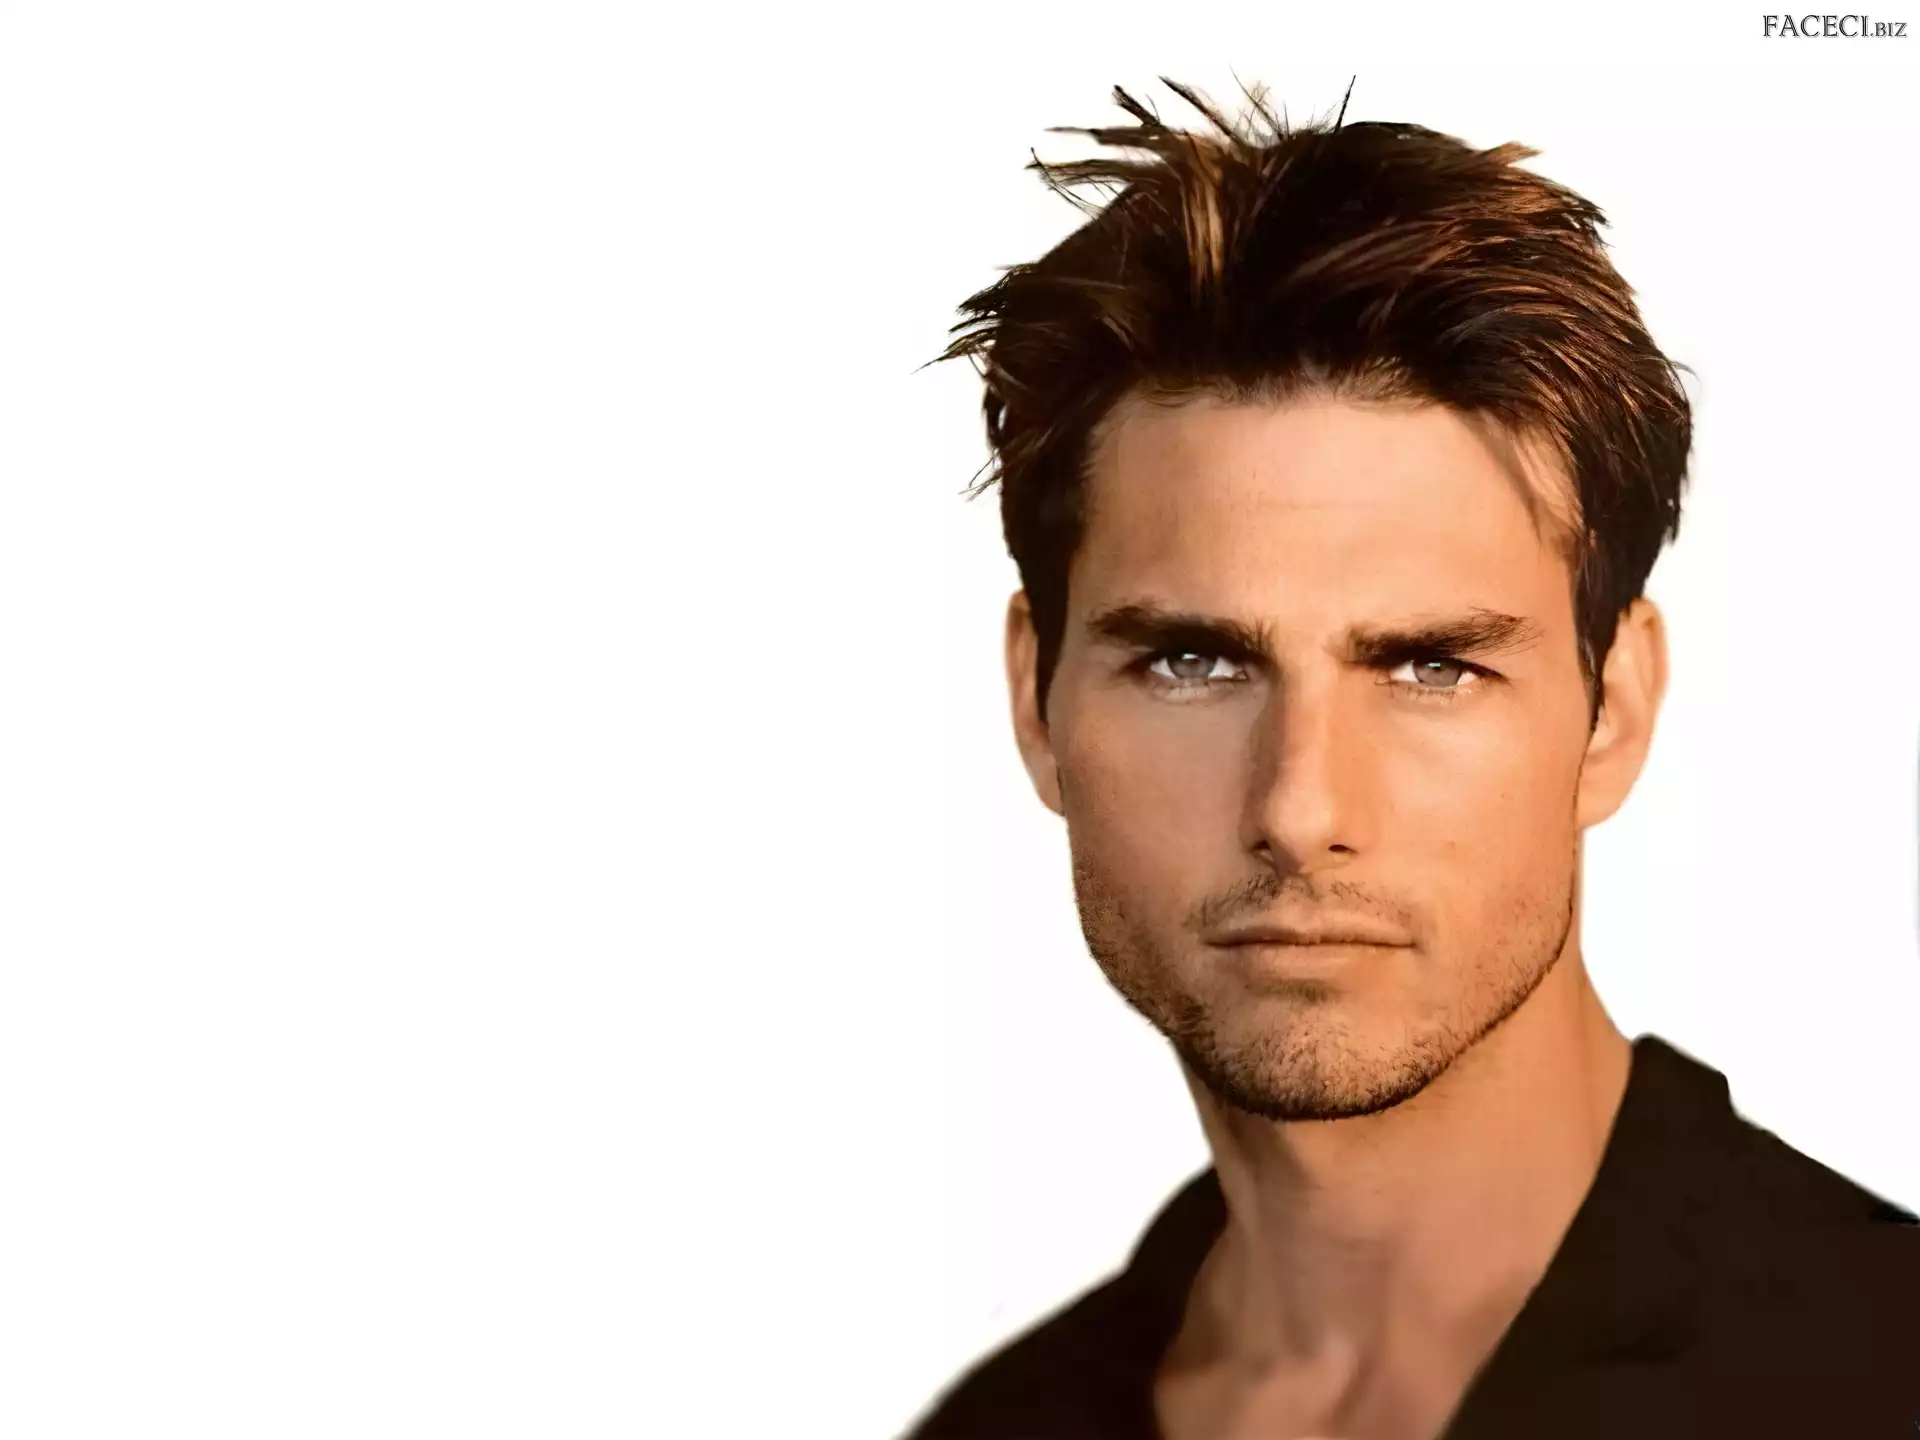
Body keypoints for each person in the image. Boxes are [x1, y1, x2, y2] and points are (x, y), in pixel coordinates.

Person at [902, 80, 1919, 1440]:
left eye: (1432, 666)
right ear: (1037, 701)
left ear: (1613, 709)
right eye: (1194, 662)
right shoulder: (1010, 1422)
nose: (1300, 806)